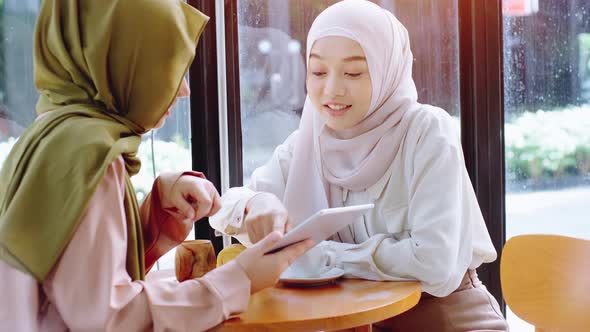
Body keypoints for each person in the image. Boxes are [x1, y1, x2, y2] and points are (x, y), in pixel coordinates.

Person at [0, 0, 312, 331]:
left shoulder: (51, 134)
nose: (184, 90)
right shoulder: (85, 153)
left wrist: (154, 212)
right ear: (120, 62)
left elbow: (71, 279)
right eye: (166, 65)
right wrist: (239, 279)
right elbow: (108, 318)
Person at [210, 0, 509, 330]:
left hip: (446, 319)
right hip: (354, 322)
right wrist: (255, 203)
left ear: (386, 70)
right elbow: (224, 209)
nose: (332, 90)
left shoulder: (425, 131)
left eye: (353, 72)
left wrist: (325, 257)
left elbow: (434, 262)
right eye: (319, 72)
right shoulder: (311, 141)